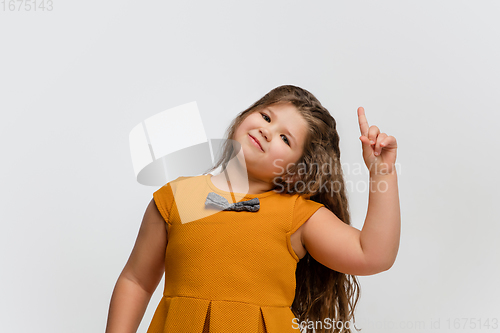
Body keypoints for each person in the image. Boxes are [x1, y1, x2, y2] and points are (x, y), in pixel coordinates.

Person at [105, 85, 400, 333]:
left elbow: (371, 254)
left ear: (297, 173)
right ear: (243, 116)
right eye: (266, 116)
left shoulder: (298, 216)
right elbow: (136, 280)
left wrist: (382, 174)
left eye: (286, 138)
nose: (268, 130)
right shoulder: (176, 196)